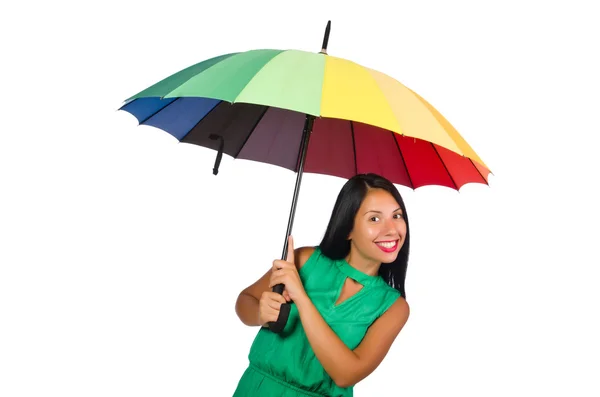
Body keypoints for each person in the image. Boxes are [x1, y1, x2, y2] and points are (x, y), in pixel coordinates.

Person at [233, 173, 411, 396]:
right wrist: (261, 315)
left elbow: (346, 374)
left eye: (397, 216)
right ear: (347, 228)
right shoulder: (304, 260)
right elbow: (245, 300)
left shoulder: (393, 307)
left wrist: (301, 297)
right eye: (374, 219)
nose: (392, 229)